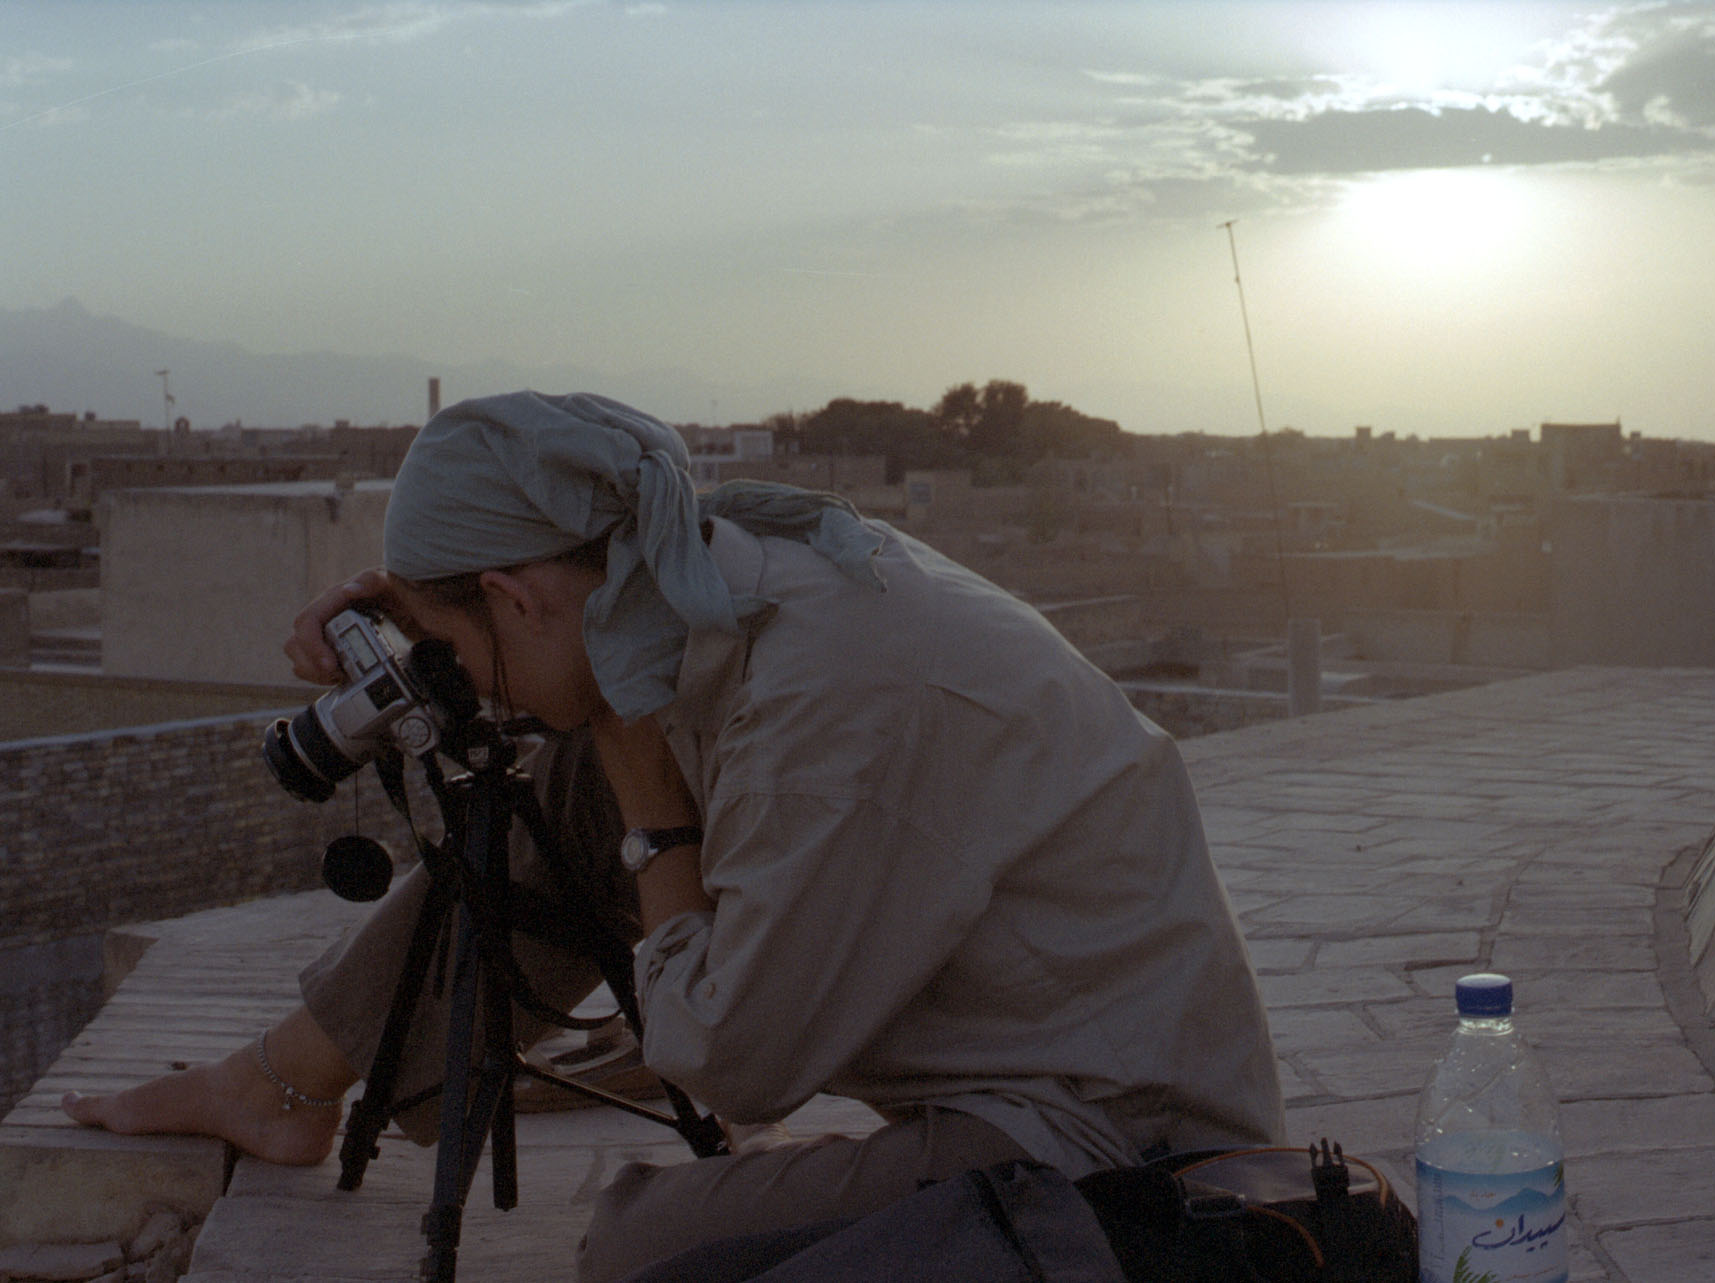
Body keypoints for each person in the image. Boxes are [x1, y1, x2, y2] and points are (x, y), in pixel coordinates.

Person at [64, 391, 1285, 1281]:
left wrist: (652, 797)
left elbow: (734, 1066)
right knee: (574, 757)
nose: (468, 688)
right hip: (1024, 1051)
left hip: (1107, 1136)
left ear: (518, 594)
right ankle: (280, 1081)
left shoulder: (827, 707)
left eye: (464, 641)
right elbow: (551, 654)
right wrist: (424, 613)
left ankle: (305, 1077)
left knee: (641, 1243)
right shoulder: (709, 568)